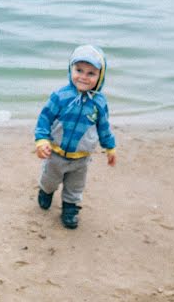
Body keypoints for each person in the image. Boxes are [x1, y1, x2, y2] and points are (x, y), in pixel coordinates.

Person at [34, 44, 117, 229]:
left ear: (100, 76)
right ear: (71, 68)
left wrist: (110, 147)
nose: (83, 77)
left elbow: (104, 127)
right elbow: (44, 119)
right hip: (55, 154)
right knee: (50, 181)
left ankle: (70, 209)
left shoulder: (99, 103)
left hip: (81, 158)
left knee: (75, 188)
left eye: (91, 73)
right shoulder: (61, 96)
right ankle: (45, 192)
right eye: (79, 70)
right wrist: (42, 140)